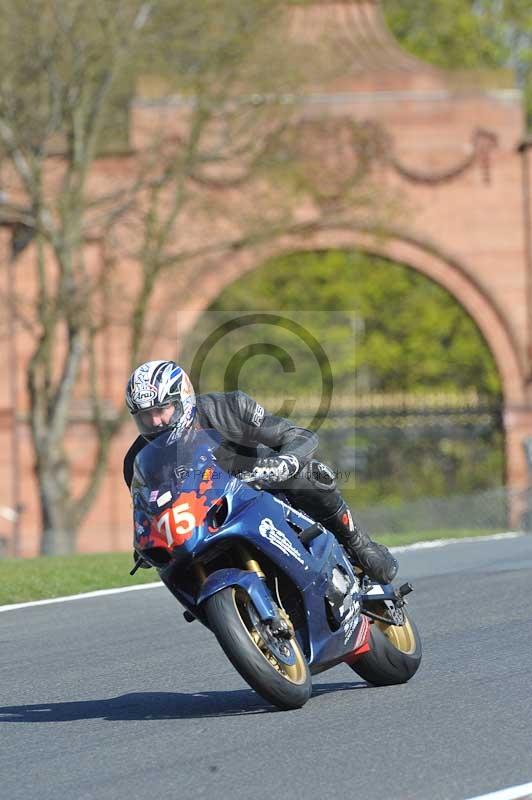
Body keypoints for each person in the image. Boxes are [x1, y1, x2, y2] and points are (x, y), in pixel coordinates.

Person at [123, 359, 398, 584]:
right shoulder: (136, 461)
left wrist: (284, 462)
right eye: (144, 415)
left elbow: (297, 435)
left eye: (162, 409)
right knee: (170, 567)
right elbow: (149, 511)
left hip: (263, 487)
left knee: (309, 474)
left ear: (182, 399)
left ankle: (359, 544)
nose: (155, 421)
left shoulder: (228, 408)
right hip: (206, 521)